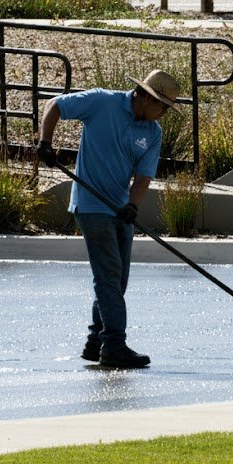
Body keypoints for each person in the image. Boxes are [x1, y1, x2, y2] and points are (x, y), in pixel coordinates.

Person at [36, 69, 181, 369]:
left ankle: (96, 342)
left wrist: (132, 205)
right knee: (109, 275)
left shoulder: (152, 133)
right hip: (91, 205)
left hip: (119, 209)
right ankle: (114, 344)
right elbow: (55, 106)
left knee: (118, 280)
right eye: (163, 106)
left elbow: (143, 177)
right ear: (145, 97)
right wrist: (45, 142)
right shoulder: (102, 102)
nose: (164, 113)